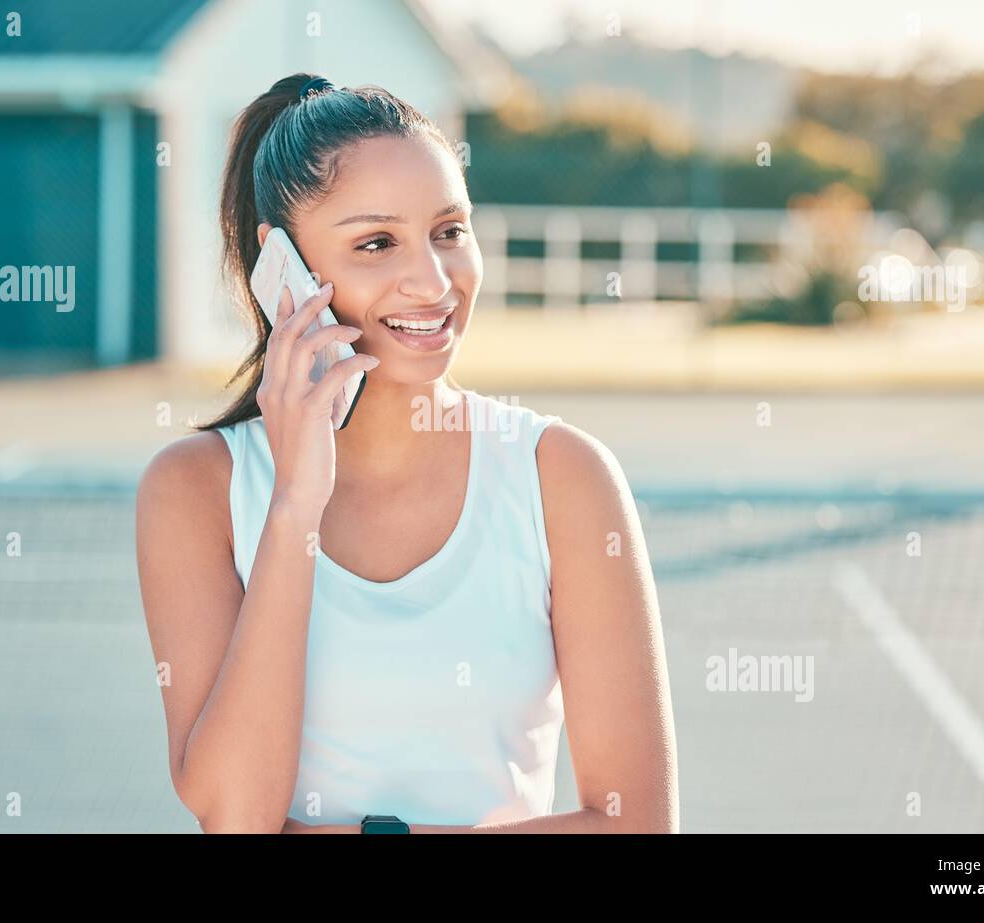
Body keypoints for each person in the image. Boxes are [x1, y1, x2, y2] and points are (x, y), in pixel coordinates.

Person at [135, 73, 679, 833]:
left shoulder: (562, 477)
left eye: (449, 231)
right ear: (280, 266)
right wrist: (295, 505)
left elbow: (636, 826)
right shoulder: (193, 491)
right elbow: (234, 814)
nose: (432, 282)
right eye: (376, 242)